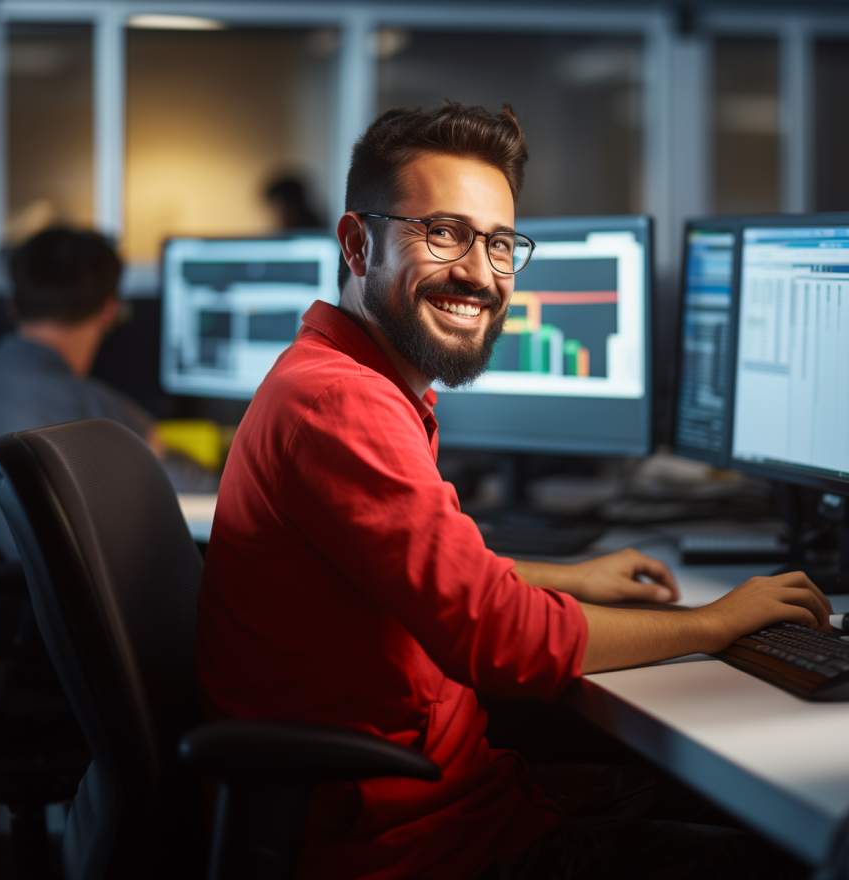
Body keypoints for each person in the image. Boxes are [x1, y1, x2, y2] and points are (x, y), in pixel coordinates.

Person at [196, 103, 827, 879]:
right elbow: (501, 641)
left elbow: (427, 576)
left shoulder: (351, 383)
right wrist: (715, 622)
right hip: (423, 846)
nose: (480, 273)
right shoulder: (340, 403)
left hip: (469, 799)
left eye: (499, 243)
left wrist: (569, 577)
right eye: (444, 233)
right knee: (784, 849)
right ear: (358, 244)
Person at [0, 226, 215, 560]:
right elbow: (198, 488)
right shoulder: (100, 411)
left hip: (1, 596)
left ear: (11, 306)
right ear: (109, 312)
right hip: (82, 602)